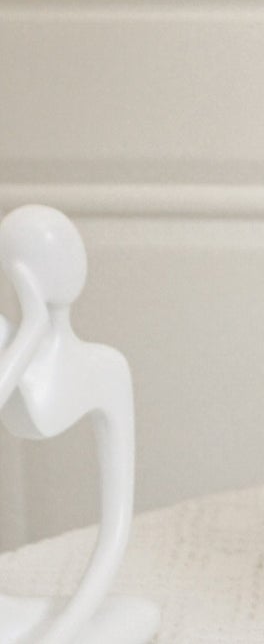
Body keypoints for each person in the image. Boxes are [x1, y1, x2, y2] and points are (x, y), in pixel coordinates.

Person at [0, 207, 157, 644]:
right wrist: (32, 327)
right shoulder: (4, 340)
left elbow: (116, 525)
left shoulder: (106, 367)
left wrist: (63, 631)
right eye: (49, 250)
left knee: (136, 614)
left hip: (71, 619)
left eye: (70, 244)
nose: (71, 259)